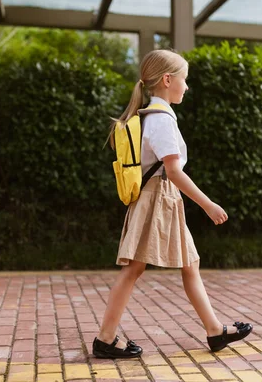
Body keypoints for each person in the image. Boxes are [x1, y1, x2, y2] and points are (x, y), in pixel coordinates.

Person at [93, 49, 253, 359]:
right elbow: (173, 171)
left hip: (162, 199)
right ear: (168, 80)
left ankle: (214, 330)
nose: (187, 86)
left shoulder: (152, 115)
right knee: (134, 269)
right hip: (158, 198)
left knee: (188, 264)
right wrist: (208, 204)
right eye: (184, 79)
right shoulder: (161, 119)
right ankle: (105, 338)